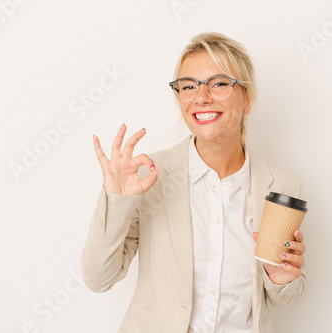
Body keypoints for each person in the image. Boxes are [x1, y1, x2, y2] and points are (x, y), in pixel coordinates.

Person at [81, 32, 307, 333]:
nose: (201, 97)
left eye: (219, 84)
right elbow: (98, 278)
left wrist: (281, 278)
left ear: (247, 99)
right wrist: (117, 199)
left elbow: (282, 296)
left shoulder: (281, 187)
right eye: (188, 86)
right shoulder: (148, 177)